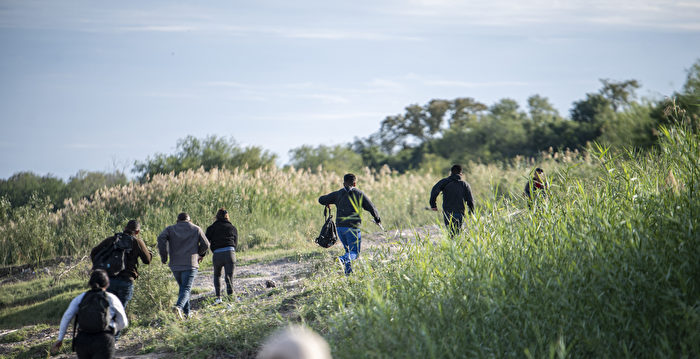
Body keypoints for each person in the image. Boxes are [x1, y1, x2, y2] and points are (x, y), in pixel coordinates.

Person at [51, 269, 128, 359]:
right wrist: (113, 328)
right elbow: (123, 322)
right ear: (107, 283)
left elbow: (66, 317)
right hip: (104, 339)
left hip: (83, 340)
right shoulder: (111, 298)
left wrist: (60, 339)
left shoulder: (80, 298)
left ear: (90, 283)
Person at [318, 173, 381, 275]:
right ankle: (341, 259)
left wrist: (327, 202)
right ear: (355, 184)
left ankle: (349, 275)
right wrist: (377, 219)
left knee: (349, 252)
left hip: (339, 228)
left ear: (343, 184)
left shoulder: (338, 194)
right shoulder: (359, 193)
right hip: (353, 228)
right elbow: (371, 207)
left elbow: (321, 199)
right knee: (354, 253)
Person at [157, 212, 210, 319]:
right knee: (186, 289)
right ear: (189, 220)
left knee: (183, 289)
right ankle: (179, 307)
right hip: (190, 264)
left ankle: (187, 314)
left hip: (175, 265)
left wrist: (164, 256)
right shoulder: (196, 228)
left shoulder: (170, 229)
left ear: (177, 220)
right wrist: (198, 253)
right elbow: (206, 244)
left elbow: (160, 238)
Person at [90, 220, 152, 310]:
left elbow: (94, 252)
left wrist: (101, 267)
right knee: (119, 312)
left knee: (107, 310)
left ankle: (105, 323)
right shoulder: (137, 242)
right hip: (126, 281)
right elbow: (147, 260)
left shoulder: (112, 240)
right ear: (137, 232)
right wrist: (149, 252)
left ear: (125, 228)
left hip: (109, 280)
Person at [429, 164, 475, 237]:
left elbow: (434, 191)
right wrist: (471, 212)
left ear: (451, 172)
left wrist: (433, 205)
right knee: (458, 232)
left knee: (451, 232)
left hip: (448, 213)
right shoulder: (465, 185)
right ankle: (456, 246)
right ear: (461, 174)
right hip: (460, 213)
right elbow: (470, 200)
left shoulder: (444, 182)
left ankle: (452, 245)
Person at [205, 208, 238, 304]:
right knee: (229, 277)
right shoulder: (232, 228)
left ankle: (218, 298)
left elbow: (206, 242)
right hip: (230, 253)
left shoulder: (211, 228)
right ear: (227, 216)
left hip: (217, 254)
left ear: (216, 217)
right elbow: (235, 243)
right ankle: (231, 298)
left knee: (217, 275)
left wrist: (202, 254)